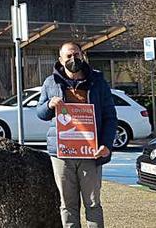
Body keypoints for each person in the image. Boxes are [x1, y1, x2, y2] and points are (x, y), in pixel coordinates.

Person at [34, 42, 117, 228]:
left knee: (93, 204)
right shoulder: (50, 82)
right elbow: (40, 112)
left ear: (82, 55)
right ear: (60, 60)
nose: (74, 59)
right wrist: (49, 105)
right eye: (69, 56)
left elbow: (110, 117)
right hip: (62, 154)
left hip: (90, 152)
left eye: (77, 55)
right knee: (68, 204)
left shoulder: (97, 82)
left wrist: (106, 145)